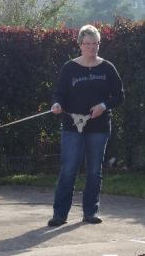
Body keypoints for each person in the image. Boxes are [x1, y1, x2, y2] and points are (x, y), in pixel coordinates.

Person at [48, 24, 124, 226]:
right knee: (69, 169)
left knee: (94, 171)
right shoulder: (69, 68)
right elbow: (59, 94)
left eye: (95, 43)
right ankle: (60, 214)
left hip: (99, 128)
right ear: (80, 44)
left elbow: (119, 96)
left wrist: (103, 105)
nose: (92, 47)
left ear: (99, 44)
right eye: (87, 43)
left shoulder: (107, 68)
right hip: (72, 126)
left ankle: (90, 212)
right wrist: (57, 104)